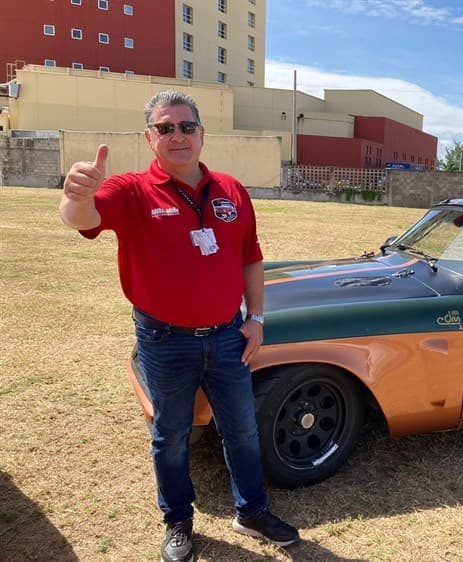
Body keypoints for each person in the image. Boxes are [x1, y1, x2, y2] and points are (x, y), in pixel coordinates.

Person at [60, 90, 299, 562]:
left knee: (242, 430)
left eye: (186, 126)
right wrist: (76, 197)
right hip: (164, 340)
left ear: (201, 134)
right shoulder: (131, 190)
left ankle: (251, 512)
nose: (177, 135)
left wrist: (256, 320)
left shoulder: (231, 190)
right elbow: (82, 218)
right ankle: (177, 522)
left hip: (229, 336)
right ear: (150, 137)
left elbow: (251, 258)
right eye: (165, 127)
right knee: (170, 435)